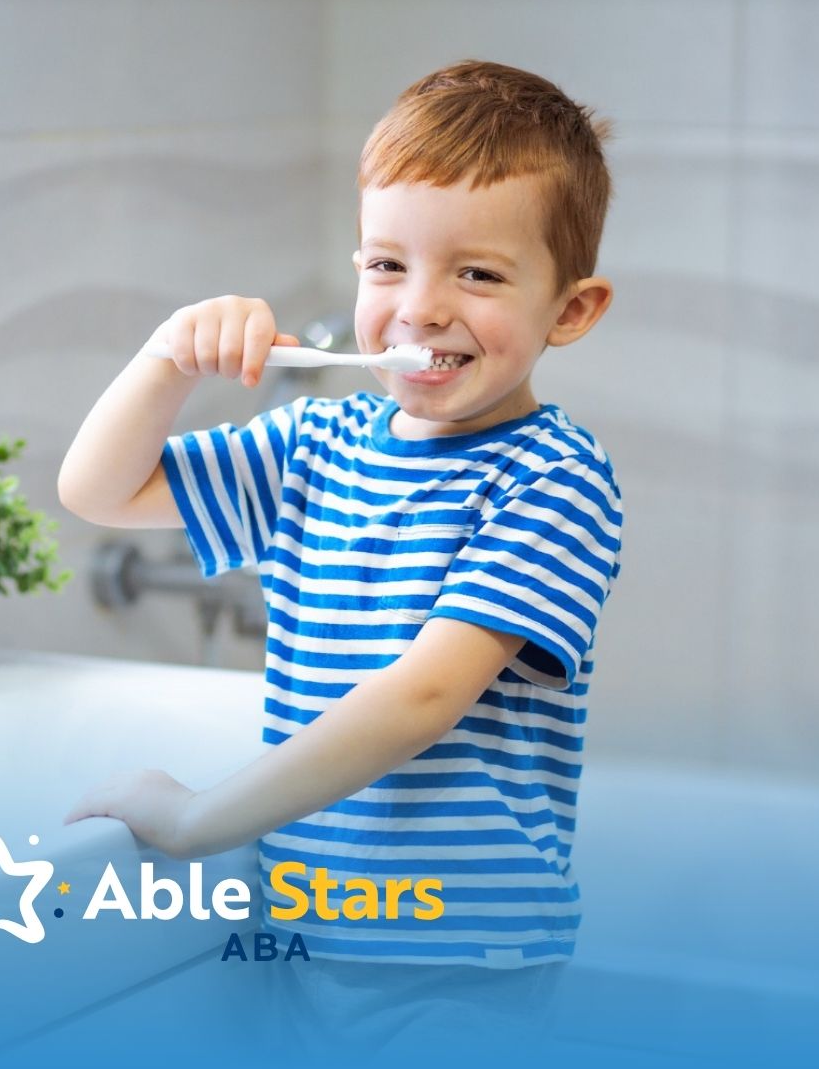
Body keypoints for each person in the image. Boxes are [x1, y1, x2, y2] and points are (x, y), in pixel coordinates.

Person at [58, 59, 623, 1060]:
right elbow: (98, 491)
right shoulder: (314, 445)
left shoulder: (554, 478)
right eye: (386, 265)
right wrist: (166, 358)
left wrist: (195, 820)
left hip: (455, 955)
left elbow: (420, 698)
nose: (420, 307)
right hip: (307, 925)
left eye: (477, 273)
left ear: (569, 311)